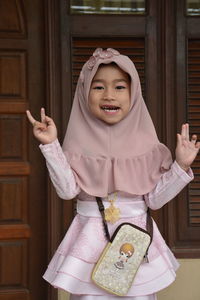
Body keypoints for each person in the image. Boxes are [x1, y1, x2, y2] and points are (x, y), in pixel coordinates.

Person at [26, 48, 200, 300]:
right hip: (90, 243)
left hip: (134, 243)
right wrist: (51, 145)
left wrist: (181, 166)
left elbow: (153, 200)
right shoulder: (74, 146)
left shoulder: (149, 147)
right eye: (98, 87)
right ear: (85, 93)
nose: (109, 95)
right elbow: (67, 191)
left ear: (134, 93)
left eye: (120, 87)